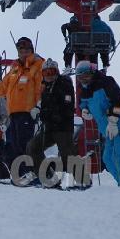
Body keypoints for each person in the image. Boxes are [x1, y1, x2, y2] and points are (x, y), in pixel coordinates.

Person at [75, 61, 120, 188]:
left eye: (86, 75)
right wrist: (85, 110)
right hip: (108, 130)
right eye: (80, 77)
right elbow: (83, 102)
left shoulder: (106, 82)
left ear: (92, 73)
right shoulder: (85, 90)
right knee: (108, 158)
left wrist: (113, 121)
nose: (83, 80)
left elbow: (117, 101)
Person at [0, 37, 44, 174]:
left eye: (26, 49)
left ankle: (38, 173)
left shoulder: (38, 65)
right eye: (20, 49)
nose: (23, 52)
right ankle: (24, 174)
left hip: (28, 112)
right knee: (15, 146)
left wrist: (38, 106)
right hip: (13, 113)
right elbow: (2, 87)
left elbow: (41, 87)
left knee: (26, 145)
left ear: (31, 50)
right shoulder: (15, 68)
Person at [24, 59, 76, 187]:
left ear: (57, 72)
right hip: (49, 127)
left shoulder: (64, 84)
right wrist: (38, 109)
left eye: (52, 72)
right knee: (32, 147)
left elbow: (66, 105)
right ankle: (47, 176)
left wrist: (50, 113)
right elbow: (43, 103)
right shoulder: (45, 87)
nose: (49, 75)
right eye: (46, 72)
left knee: (67, 154)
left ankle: (77, 180)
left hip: (62, 127)